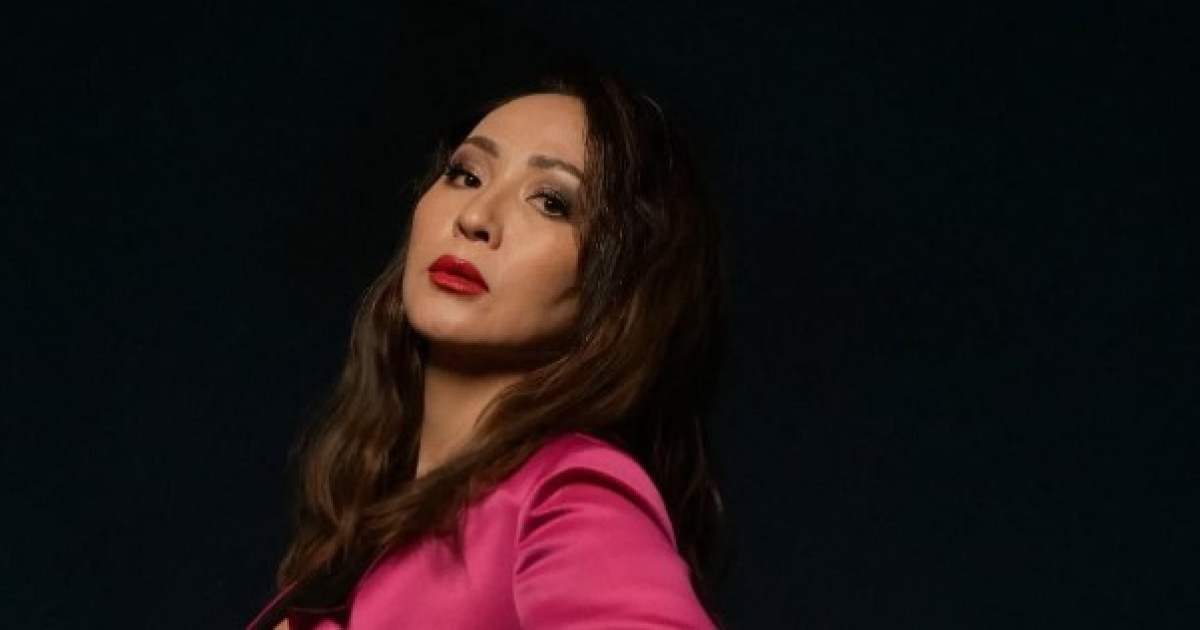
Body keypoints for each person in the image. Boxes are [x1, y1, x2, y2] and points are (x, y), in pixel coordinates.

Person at [246, 62, 729, 630]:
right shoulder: (356, 543)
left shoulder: (566, 490)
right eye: (466, 175)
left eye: (551, 202)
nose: (475, 217)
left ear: (622, 290)